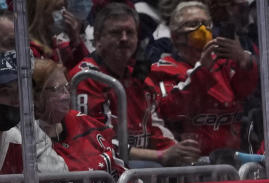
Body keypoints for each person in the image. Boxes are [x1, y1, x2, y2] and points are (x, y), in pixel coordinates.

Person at [69, 2, 199, 167]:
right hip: (105, 169)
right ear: (98, 38)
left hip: (142, 165)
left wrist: (177, 150)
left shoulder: (140, 77)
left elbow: (156, 130)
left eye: (129, 32)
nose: (124, 38)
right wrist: (159, 155)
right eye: (116, 33)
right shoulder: (86, 78)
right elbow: (95, 143)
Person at [151, 1, 258, 155]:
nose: (202, 29)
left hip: (231, 158)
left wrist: (244, 62)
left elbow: (249, 94)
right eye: (193, 24)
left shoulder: (225, 65)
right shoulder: (162, 69)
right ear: (175, 36)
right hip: (189, 164)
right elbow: (170, 111)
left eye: (206, 23)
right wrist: (201, 70)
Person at [33, 57, 124, 177]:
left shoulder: (80, 120)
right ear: (35, 96)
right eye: (58, 89)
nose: (66, 96)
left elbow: (117, 162)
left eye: (67, 87)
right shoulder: (28, 141)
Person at [0, 50, 69, 183]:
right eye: (6, 92)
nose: (16, 100)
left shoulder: (19, 135)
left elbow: (58, 182)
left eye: (20, 92)